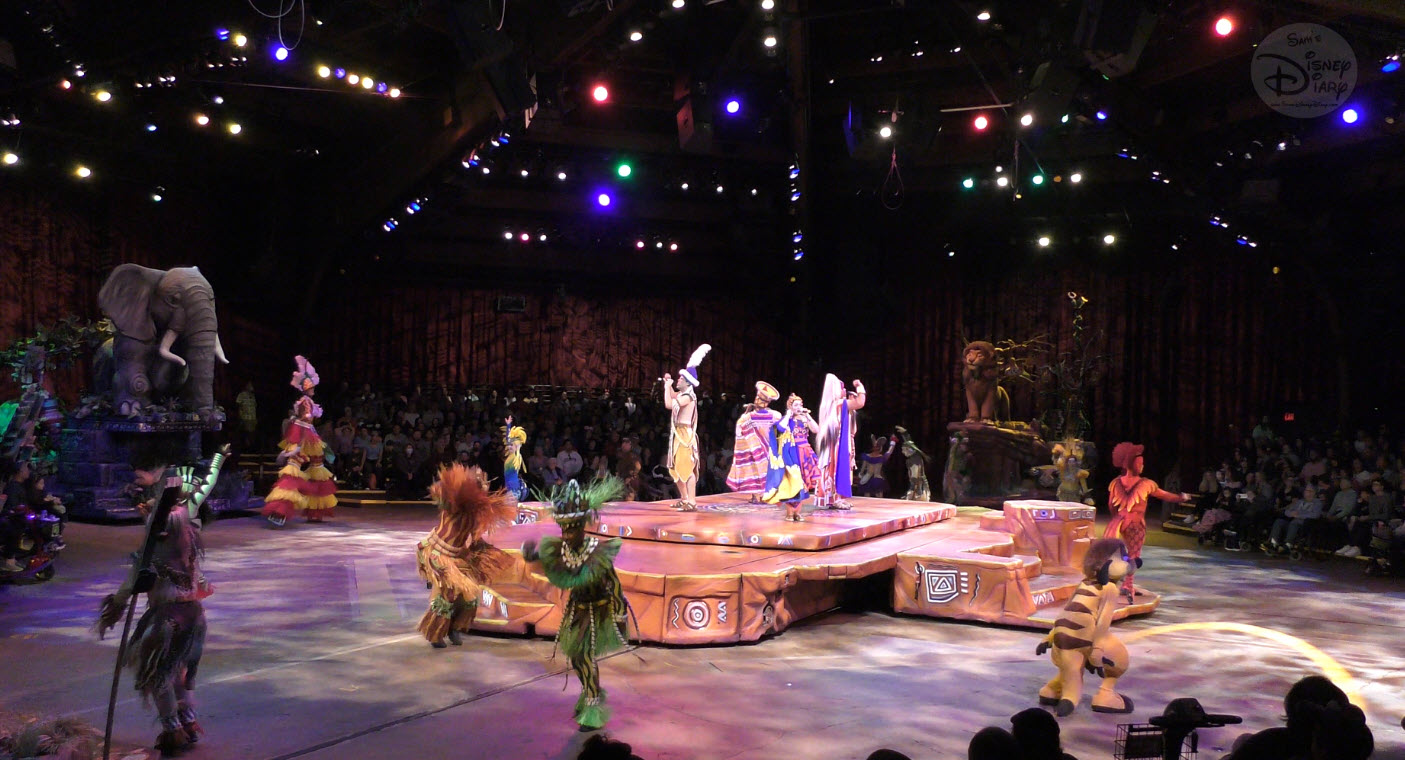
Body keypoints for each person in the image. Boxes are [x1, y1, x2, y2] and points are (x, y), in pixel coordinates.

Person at [96, 438, 229, 755]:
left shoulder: (161, 532)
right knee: (178, 674)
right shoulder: (188, 523)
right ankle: (188, 722)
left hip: (168, 616)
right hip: (193, 614)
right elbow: (202, 488)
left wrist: (117, 604)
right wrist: (218, 460)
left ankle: (173, 731)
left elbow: (135, 576)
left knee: (158, 676)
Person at [520, 478, 630, 731]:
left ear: (582, 527)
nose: (567, 535)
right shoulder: (562, 549)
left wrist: (620, 615)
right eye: (564, 531)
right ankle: (591, 691)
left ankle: (593, 705)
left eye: (571, 530)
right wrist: (530, 555)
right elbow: (542, 557)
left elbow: (614, 584)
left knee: (585, 656)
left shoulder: (597, 552)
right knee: (576, 657)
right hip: (577, 610)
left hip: (598, 610)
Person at [415, 464, 516, 648]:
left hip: (456, 557)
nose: (482, 486)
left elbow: (475, 539)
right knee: (449, 593)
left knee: (471, 596)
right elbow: (438, 491)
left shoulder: (477, 513)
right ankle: (435, 633)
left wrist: (486, 555)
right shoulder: (453, 501)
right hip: (437, 553)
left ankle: (455, 628)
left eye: (483, 483)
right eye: (477, 482)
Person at [1103, 441, 1191, 598]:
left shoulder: (1116, 483)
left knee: (1122, 551)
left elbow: (1111, 505)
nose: (1142, 466)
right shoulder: (1146, 484)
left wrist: (1116, 518)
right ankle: (1127, 585)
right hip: (1135, 524)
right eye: (1140, 463)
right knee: (1134, 554)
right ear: (1134, 465)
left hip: (1119, 522)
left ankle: (1117, 578)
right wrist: (1181, 497)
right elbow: (1165, 495)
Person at [260, 356, 337, 526]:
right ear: (307, 388)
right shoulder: (305, 402)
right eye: (312, 387)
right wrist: (300, 443)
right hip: (302, 434)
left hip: (308, 434)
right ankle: (280, 511)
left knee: (317, 467)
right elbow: (304, 420)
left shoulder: (306, 401)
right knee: (294, 468)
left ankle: (315, 510)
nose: (314, 389)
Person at [662, 344, 710, 511]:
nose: (678, 380)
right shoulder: (682, 393)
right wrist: (667, 385)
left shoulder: (689, 396)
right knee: (675, 468)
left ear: (688, 382)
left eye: (680, 379)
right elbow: (671, 397)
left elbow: (669, 404)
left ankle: (692, 502)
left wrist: (667, 387)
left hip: (685, 435)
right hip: (677, 434)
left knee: (686, 467)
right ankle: (684, 499)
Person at [763, 393, 819, 522]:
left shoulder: (804, 419)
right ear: (790, 406)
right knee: (792, 481)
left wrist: (808, 415)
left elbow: (816, 430)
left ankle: (797, 513)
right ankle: (789, 513)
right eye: (796, 405)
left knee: (803, 483)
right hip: (792, 453)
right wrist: (788, 414)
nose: (799, 407)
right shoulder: (787, 420)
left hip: (805, 452)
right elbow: (780, 429)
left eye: (801, 405)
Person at [815, 375, 866, 509]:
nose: (844, 391)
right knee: (837, 469)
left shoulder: (831, 405)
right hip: (836, 445)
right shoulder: (839, 403)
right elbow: (860, 402)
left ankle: (837, 498)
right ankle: (836, 499)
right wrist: (859, 386)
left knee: (837, 469)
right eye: (842, 388)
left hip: (834, 443)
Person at [726, 381, 782, 502]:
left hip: (764, 448)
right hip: (757, 448)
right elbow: (739, 431)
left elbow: (780, 431)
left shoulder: (772, 415)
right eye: (758, 397)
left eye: (761, 398)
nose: (758, 400)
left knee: (761, 470)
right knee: (756, 470)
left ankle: (763, 495)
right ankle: (759, 495)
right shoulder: (769, 415)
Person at [502, 416, 529, 501]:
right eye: (509, 445)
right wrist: (508, 426)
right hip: (509, 488)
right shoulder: (510, 456)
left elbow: (510, 440)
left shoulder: (516, 456)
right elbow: (508, 439)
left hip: (514, 490)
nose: (509, 446)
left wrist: (509, 427)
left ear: (517, 446)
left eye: (512, 445)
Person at [235, 382, 257, 450]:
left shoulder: (253, 396)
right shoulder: (241, 395)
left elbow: (254, 407)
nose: (251, 386)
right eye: (250, 385)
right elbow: (238, 406)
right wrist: (240, 416)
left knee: (252, 433)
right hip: (245, 417)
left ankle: (251, 447)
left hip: (252, 417)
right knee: (246, 433)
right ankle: (246, 447)